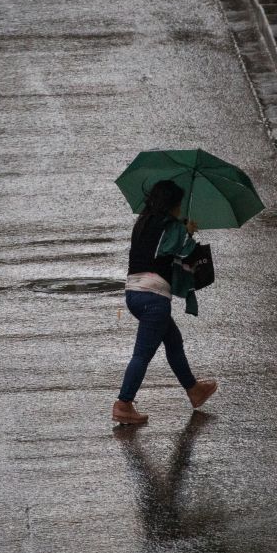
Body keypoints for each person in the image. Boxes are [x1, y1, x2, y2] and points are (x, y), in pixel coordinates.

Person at [112, 180, 217, 425]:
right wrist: (188, 232)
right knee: (142, 354)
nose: (180, 209)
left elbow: (160, 251)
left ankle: (194, 390)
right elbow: (187, 252)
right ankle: (124, 403)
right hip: (154, 299)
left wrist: (183, 231)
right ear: (171, 205)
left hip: (134, 293)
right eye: (178, 205)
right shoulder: (172, 227)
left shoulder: (143, 222)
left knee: (173, 341)